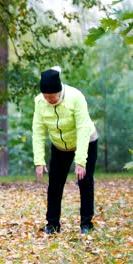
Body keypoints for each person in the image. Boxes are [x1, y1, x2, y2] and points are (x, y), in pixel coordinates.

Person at [32, 66, 98, 235]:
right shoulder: (39, 102)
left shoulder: (75, 98)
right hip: (60, 146)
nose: (48, 99)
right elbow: (38, 131)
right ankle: (52, 225)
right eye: (45, 96)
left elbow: (83, 128)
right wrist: (39, 160)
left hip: (85, 141)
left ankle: (86, 224)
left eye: (51, 96)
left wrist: (80, 161)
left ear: (59, 91)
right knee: (54, 184)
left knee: (85, 181)